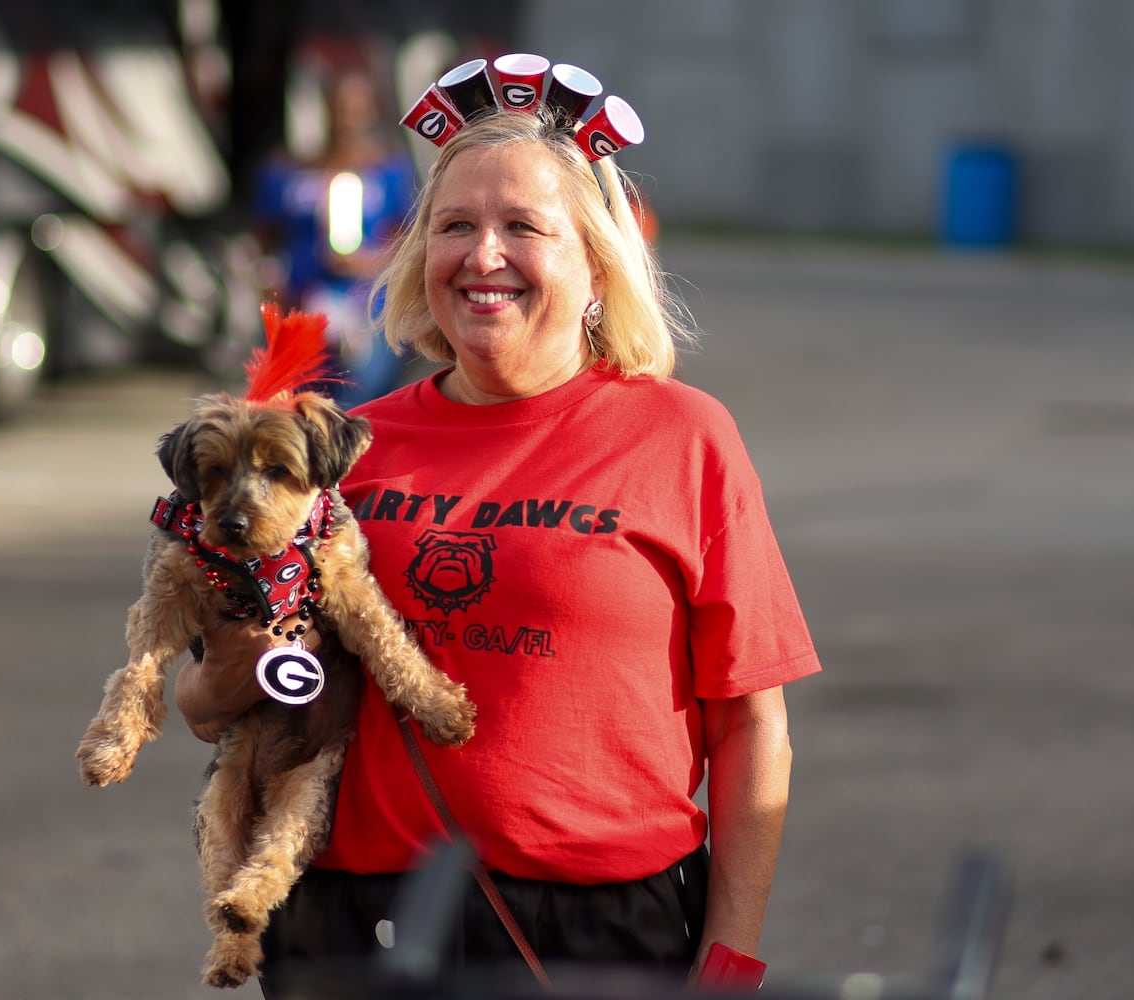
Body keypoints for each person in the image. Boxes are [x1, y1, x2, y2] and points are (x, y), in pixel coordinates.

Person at [177, 79, 822, 997]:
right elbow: (204, 705)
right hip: (351, 917)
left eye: (524, 226)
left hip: (596, 928)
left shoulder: (683, 437)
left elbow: (752, 723)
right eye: (452, 226)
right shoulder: (339, 450)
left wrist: (726, 965)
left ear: (596, 264)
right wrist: (243, 654)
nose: (484, 255)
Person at [251, 62, 418, 409]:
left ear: (372, 112)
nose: (348, 120)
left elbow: (412, 241)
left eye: (358, 111)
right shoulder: (289, 169)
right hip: (302, 308)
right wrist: (268, 281)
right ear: (326, 108)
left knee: (359, 405)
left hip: (367, 310)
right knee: (299, 408)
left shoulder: (390, 171)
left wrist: (368, 261)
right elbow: (264, 238)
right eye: (341, 109)